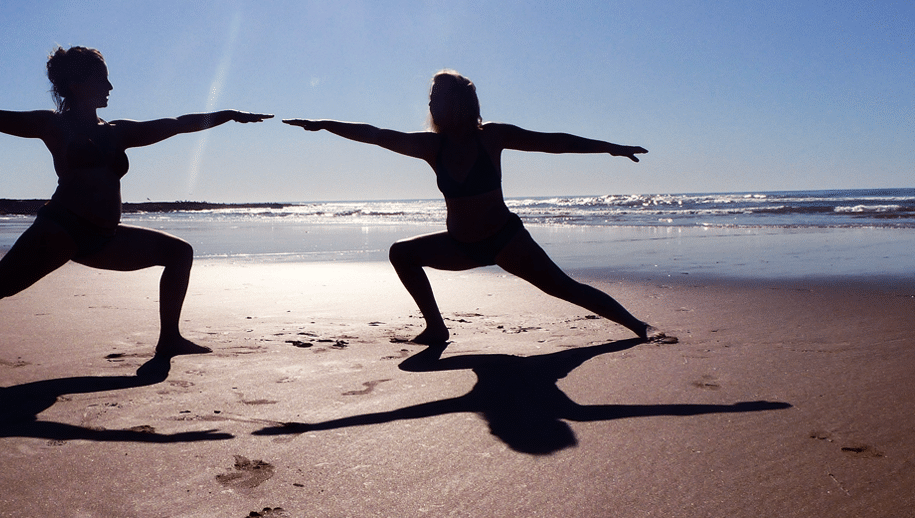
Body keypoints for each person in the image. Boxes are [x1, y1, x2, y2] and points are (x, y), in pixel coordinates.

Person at [0, 46, 272, 369]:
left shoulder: (118, 132)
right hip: (59, 231)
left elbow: (178, 123)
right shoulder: (53, 125)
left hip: (102, 238)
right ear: (80, 83)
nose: (111, 86)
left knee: (178, 253)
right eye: (103, 79)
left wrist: (229, 116)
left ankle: (169, 339)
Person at [284, 70, 674, 345]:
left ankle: (639, 326)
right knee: (402, 253)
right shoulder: (430, 146)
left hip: (507, 241)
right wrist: (324, 124)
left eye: (438, 96)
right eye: (430, 98)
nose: (432, 102)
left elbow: (551, 141)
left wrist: (610, 146)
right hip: (460, 245)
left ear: (460, 101)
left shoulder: (492, 137)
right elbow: (376, 135)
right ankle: (436, 328)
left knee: (565, 288)